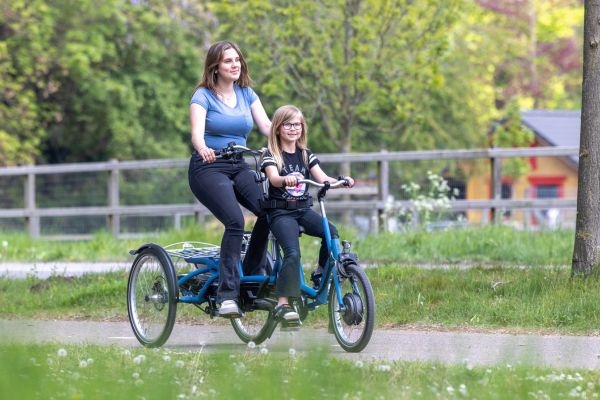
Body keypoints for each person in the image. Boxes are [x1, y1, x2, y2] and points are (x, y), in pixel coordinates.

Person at [188, 40, 271, 318]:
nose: (235, 64)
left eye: (237, 59)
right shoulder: (203, 96)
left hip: (238, 163)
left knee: (270, 211)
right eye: (227, 61)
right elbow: (197, 134)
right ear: (215, 66)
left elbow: (267, 127)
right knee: (235, 221)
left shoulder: (247, 94)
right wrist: (203, 149)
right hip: (208, 167)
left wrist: (290, 137)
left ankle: (251, 278)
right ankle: (227, 296)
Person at [261, 105, 354, 325]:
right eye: (288, 124)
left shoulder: (305, 154)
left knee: (331, 232)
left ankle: (320, 272)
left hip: (302, 210)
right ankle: (283, 302)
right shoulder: (270, 154)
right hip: (281, 212)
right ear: (277, 128)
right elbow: (273, 178)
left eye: (297, 125)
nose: (293, 129)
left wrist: (341, 182)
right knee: (293, 253)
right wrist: (285, 180)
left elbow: (322, 178)